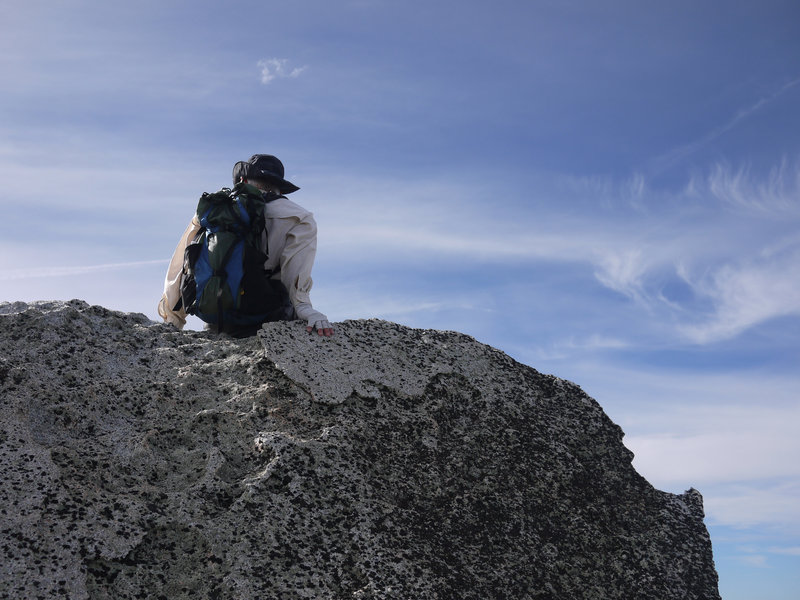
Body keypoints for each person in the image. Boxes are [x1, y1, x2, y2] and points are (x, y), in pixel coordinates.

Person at [157, 154, 333, 337]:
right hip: (268, 317)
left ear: (242, 180)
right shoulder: (299, 217)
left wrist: (173, 319)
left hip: (217, 318)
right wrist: (304, 307)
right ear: (279, 187)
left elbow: (181, 265)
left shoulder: (214, 210)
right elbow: (295, 273)